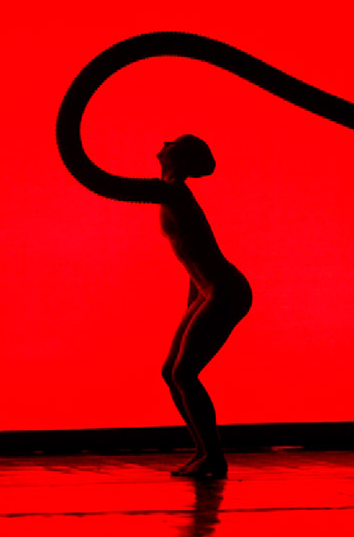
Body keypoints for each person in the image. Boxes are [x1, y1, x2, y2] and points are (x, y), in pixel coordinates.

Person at [156, 134, 252, 479]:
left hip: (224, 290)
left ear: (179, 157)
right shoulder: (170, 192)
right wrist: (191, 305)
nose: (164, 140)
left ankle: (213, 456)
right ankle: (203, 451)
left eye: (173, 141)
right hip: (206, 291)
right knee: (171, 372)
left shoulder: (174, 193)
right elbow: (192, 254)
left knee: (184, 373)